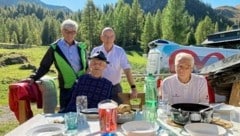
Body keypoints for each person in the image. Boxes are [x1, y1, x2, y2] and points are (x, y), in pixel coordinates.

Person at [29, 19, 88, 112]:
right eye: (66, 31)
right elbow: (44, 65)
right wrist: (33, 77)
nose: (70, 34)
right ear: (61, 31)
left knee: (82, 112)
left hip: (82, 87)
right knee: (66, 114)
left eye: (73, 31)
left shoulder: (81, 47)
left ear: (76, 32)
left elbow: (87, 67)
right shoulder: (55, 47)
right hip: (66, 88)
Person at [91, 27, 137, 104]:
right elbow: (90, 69)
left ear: (114, 37)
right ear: (101, 37)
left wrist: (133, 87)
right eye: (106, 36)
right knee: (98, 111)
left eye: (111, 36)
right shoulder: (95, 50)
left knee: (117, 112)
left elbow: (127, 69)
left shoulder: (120, 51)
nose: (108, 39)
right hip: (98, 87)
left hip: (115, 88)